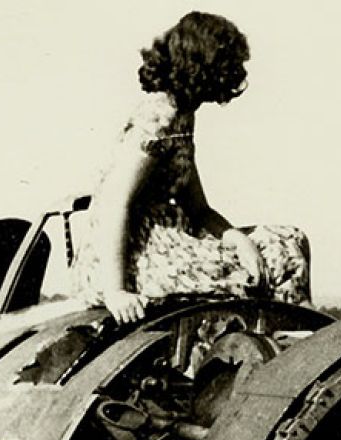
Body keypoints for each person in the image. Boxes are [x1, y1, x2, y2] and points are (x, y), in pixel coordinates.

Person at [75, 12, 310, 324]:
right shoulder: (158, 120)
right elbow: (114, 204)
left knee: (289, 240)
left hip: (168, 242)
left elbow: (197, 209)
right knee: (278, 259)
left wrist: (239, 240)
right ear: (204, 64)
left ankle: (297, 340)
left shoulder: (182, 115)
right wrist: (116, 290)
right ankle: (290, 342)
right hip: (134, 257)